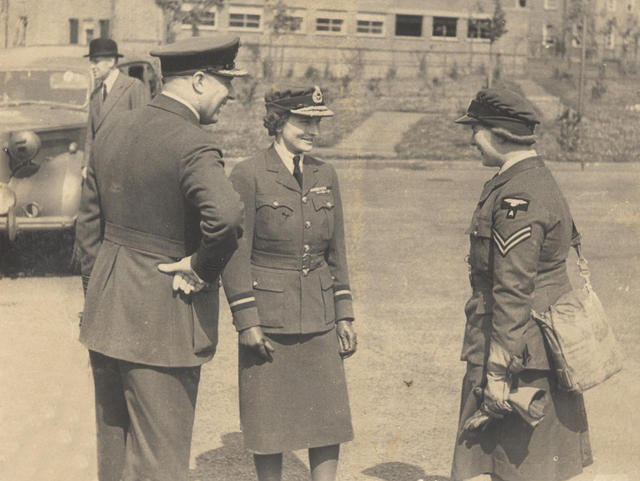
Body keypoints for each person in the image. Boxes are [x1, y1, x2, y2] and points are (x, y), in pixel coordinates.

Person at [75, 35, 247, 481]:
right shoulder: (192, 143)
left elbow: (89, 227)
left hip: (106, 316)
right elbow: (227, 217)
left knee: (113, 459)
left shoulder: (112, 127)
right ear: (198, 80)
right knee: (160, 464)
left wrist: (96, 295)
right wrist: (200, 268)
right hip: (164, 317)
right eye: (225, 82)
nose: (230, 95)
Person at [450, 88, 593, 481]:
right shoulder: (531, 178)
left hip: (517, 350)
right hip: (533, 343)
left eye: (474, 130)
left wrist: (497, 370)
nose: (471, 139)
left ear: (497, 133)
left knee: (518, 467)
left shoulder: (518, 194)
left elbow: (514, 288)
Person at [221, 86, 358, 481]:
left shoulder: (324, 173)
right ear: (278, 121)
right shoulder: (248, 174)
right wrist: (247, 320)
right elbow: (236, 253)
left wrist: (344, 313)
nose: (313, 130)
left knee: (327, 417)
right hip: (269, 319)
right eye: (304, 121)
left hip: (319, 313)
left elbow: (338, 250)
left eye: (317, 122)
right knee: (268, 422)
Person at [83, 38, 150, 170]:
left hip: (123, 168)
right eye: (91, 61)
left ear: (111, 62)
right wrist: (85, 165)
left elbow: (143, 133)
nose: (92, 66)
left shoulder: (133, 87)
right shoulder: (95, 94)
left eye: (96, 61)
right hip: (97, 168)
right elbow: (90, 136)